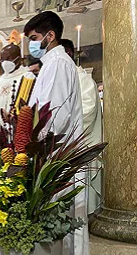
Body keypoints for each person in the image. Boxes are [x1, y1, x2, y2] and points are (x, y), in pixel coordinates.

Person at [25, 11, 91, 255]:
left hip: (56, 150)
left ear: (50, 36)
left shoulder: (58, 64)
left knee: (60, 208)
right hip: (52, 149)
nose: (30, 44)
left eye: (34, 38)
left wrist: (36, 139)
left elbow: (55, 113)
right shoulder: (53, 63)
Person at [61, 38, 103, 215]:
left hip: (79, 145)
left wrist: (63, 124)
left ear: (68, 54)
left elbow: (88, 109)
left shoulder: (82, 79)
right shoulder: (63, 78)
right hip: (63, 144)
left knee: (79, 197)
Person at [0, 43, 30, 126]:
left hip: (19, 130)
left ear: (19, 58)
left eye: (9, 59)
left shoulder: (28, 78)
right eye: (2, 59)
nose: (5, 62)